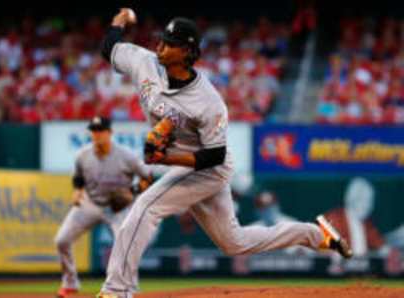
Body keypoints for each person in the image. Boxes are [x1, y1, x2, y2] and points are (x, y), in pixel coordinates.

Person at [97, 9, 353, 298]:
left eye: (170, 43)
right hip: (184, 165)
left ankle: (117, 290)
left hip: (209, 169)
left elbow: (214, 156)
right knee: (235, 243)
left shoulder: (208, 101)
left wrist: (166, 159)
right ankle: (318, 236)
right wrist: (121, 19)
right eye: (162, 40)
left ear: (187, 51)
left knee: (146, 207)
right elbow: (110, 47)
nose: (160, 46)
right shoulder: (144, 62)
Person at [54, 116, 152, 298]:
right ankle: (70, 282)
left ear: (109, 133)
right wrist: (77, 190)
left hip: (118, 208)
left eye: (100, 131)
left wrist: (134, 190)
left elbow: (148, 176)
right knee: (62, 240)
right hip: (90, 204)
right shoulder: (83, 155)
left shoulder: (126, 156)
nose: (96, 135)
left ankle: (129, 287)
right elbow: (79, 177)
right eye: (93, 131)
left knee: (126, 244)